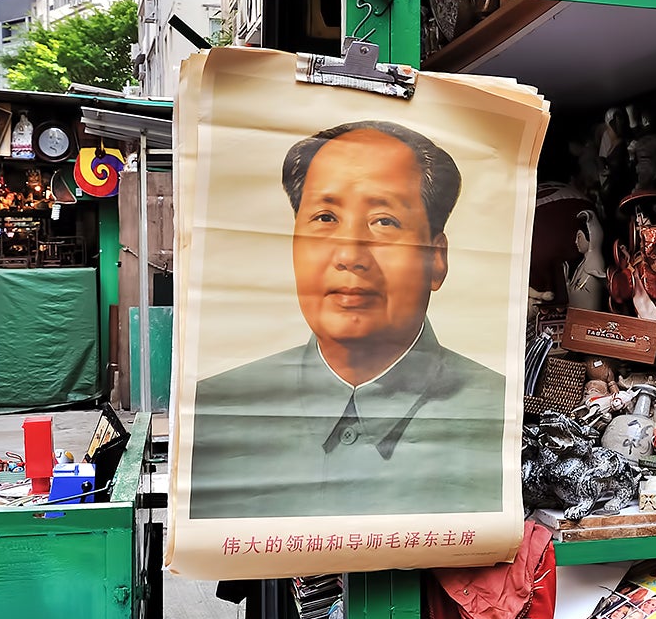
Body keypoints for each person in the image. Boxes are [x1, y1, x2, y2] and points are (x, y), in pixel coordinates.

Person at [188, 120, 507, 520]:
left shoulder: (500, 416)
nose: (349, 254)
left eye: (384, 222)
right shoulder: (217, 412)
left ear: (436, 258)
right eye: (324, 218)